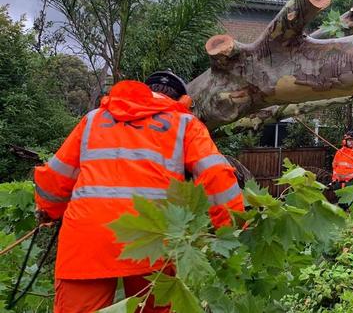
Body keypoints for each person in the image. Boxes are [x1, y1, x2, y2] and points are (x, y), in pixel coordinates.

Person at [33, 70, 244, 313]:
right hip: (152, 239)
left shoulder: (94, 119)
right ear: (180, 100)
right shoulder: (184, 123)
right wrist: (231, 229)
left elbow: (56, 177)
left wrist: (49, 212)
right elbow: (216, 175)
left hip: (87, 240)